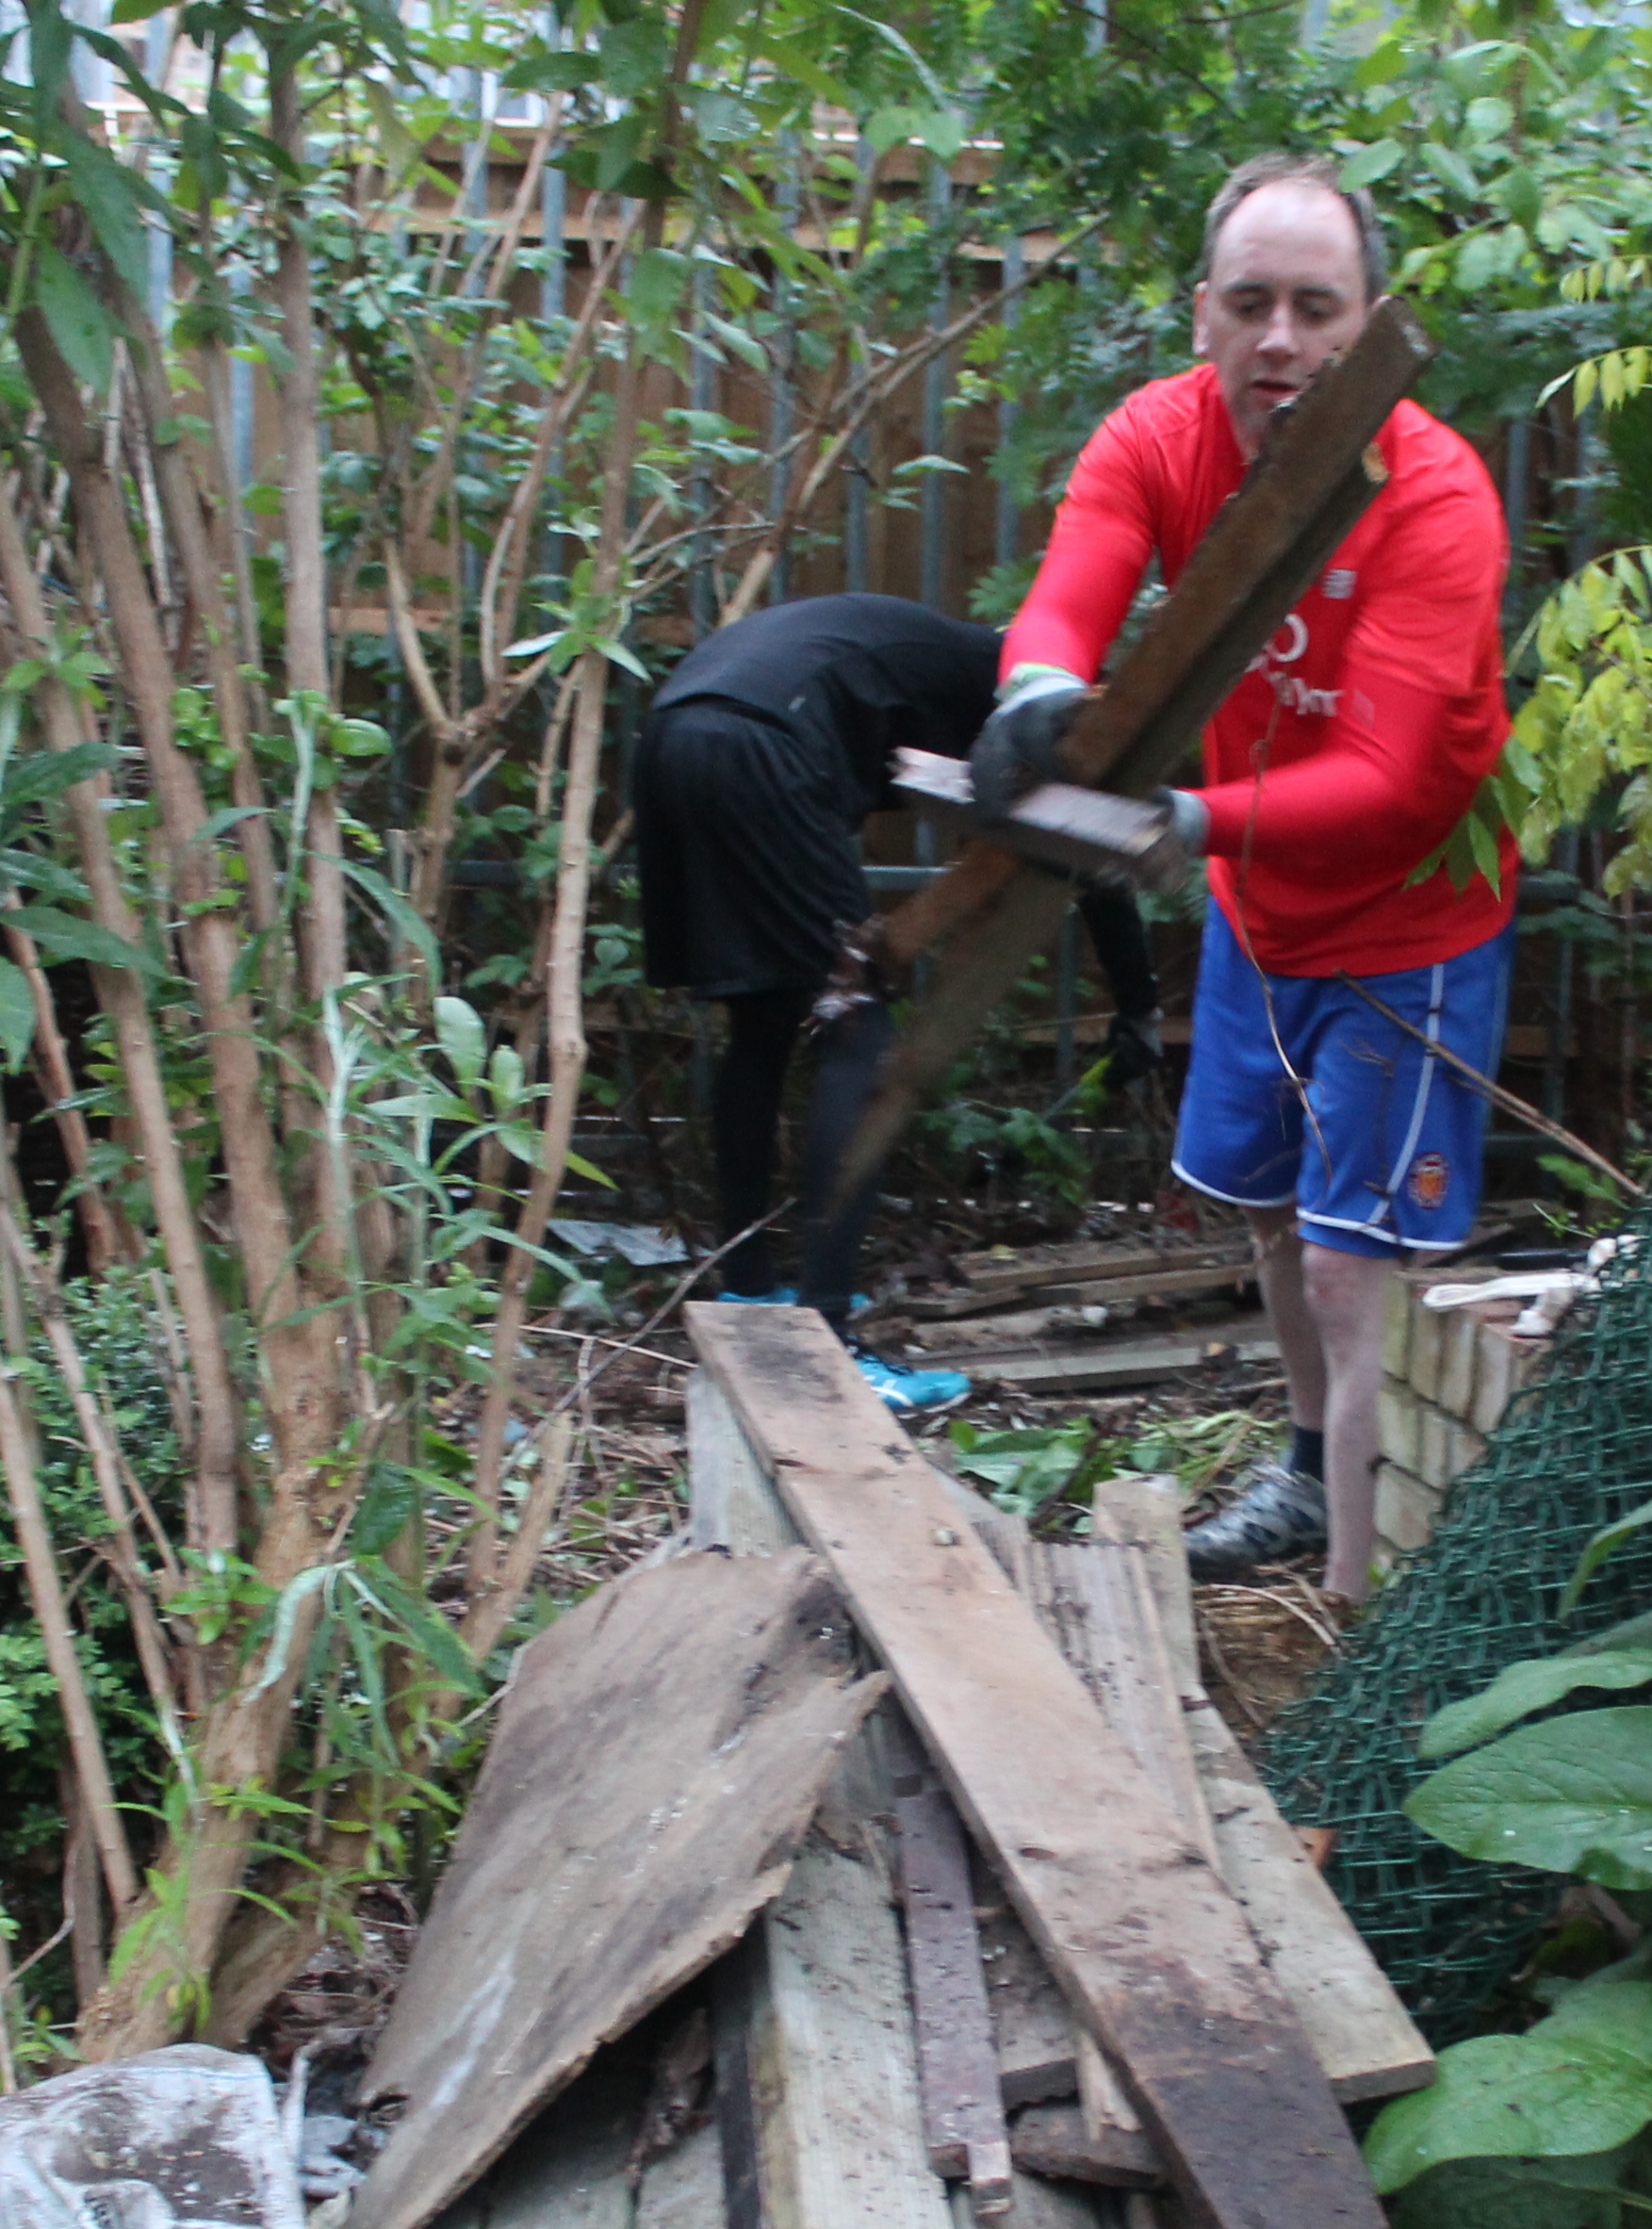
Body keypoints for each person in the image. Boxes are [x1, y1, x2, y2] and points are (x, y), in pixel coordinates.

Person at [977, 153, 1515, 1594]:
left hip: (1411, 931)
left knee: (1354, 1266)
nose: (1283, 340)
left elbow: (1397, 780)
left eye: (1317, 309)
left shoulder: (1434, 497)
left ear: (1368, 322)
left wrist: (1191, 819)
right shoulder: (1161, 437)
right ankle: (1303, 1474)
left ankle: (1357, 1594)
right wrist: (1036, 693)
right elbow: (1077, 580)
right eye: (1253, 302)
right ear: (1201, 313)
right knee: (1272, 1215)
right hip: (1258, 918)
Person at [634, 591, 1161, 1415]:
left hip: (673, 735)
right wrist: (1139, 1004)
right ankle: (830, 1339)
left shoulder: (945, 663)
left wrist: (1136, 1000)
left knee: (765, 1019)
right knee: (862, 1036)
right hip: (763, 739)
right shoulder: (1026, 696)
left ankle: (750, 1291)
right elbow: (1086, 848)